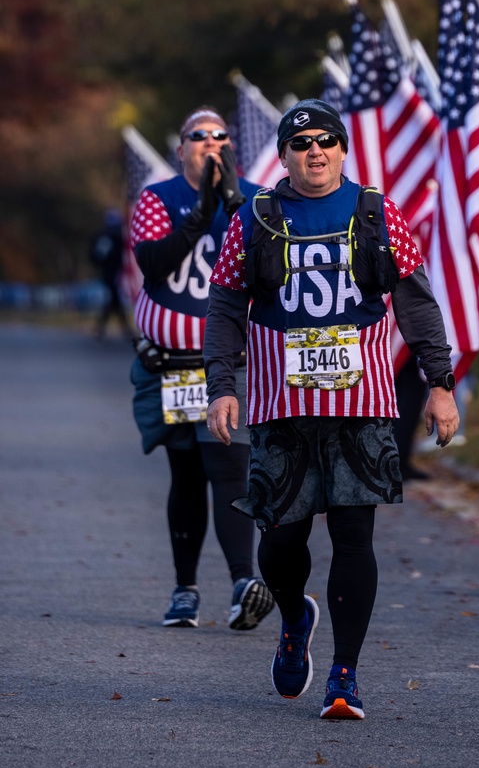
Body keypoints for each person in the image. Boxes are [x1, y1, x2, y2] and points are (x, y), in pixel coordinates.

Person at [204, 99, 459, 721]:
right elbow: (226, 305)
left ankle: (344, 676)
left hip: (361, 402)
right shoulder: (256, 218)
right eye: (301, 144)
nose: (315, 152)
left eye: (326, 141)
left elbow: (416, 304)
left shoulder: (376, 213)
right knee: (282, 542)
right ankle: (294, 614)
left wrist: (440, 381)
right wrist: (222, 384)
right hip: (280, 405)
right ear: (285, 156)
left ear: (343, 150)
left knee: (354, 535)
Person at [130, 107, 273, 631]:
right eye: (198, 136)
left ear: (231, 145)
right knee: (186, 474)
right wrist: (200, 212)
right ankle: (185, 589)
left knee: (230, 466)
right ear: (181, 148)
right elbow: (153, 264)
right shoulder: (158, 198)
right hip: (171, 369)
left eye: (219, 136)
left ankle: (242, 584)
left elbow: (270, 265)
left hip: (230, 363)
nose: (210, 143)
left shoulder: (258, 197)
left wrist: (232, 202)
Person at [90, 208, 128, 338]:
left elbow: (96, 256)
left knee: (114, 300)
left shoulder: (102, 235)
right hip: (114, 272)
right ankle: (121, 328)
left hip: (107, 272)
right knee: (114, 299)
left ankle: (102, 328)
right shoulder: (116, 236)